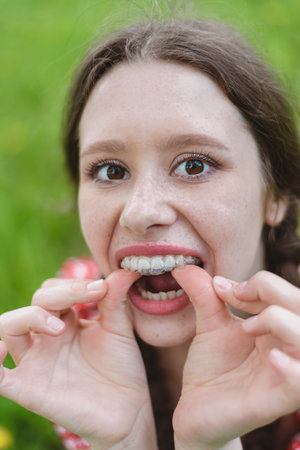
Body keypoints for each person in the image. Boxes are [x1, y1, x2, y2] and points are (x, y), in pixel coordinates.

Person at [0, 17, 300, 450]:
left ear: (276, 195)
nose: (141, 212)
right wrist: (121, 441)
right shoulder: (74, 338)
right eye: (110, 170)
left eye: (194, 165)